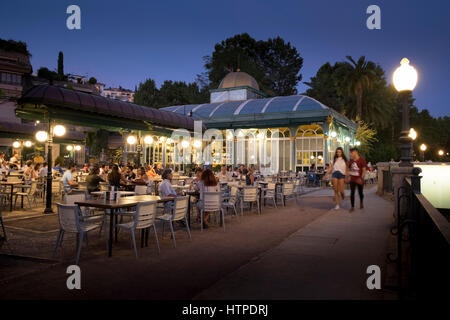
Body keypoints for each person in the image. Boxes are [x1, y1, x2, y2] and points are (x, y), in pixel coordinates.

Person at [348, 147, 367, 212]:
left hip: (359, 179)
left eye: (351, 152)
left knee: (360, 193)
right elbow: (347, 169)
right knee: (352, 193)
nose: (350, 154)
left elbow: (364, 170)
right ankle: (352, 207)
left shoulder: (362, 160)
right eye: (350, 153)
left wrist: (361, 179)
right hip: (352, 179)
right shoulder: (350, 161)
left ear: (356, 152)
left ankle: (361, 202)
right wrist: (347, 177)